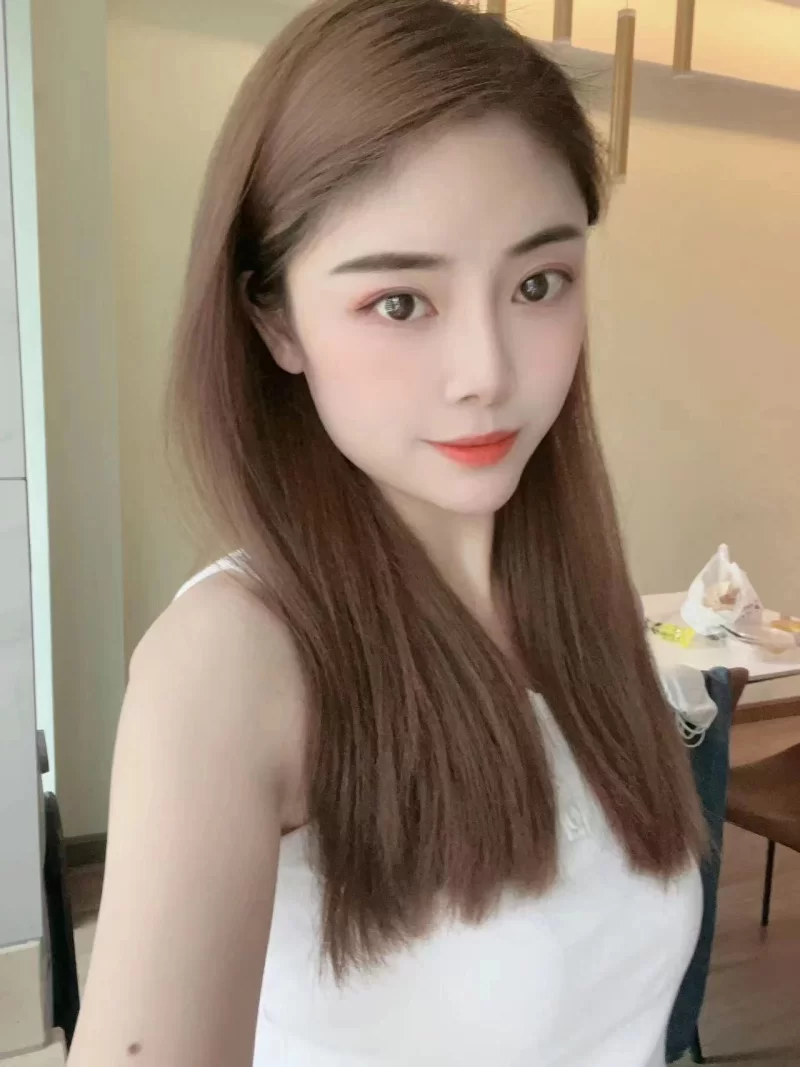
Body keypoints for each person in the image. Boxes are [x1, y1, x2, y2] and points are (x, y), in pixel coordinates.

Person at [68, 2, 706, 1065]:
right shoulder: (234, 661)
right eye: (401, 302)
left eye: (537, 284)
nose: (487, 372)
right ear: (276, 320)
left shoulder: (576, 605)